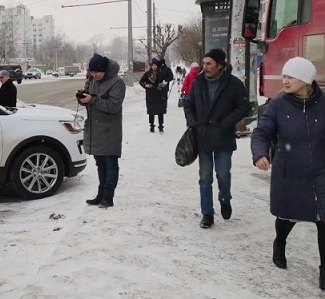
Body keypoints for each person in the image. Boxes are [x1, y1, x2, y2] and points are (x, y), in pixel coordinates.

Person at [251, 57, 325, 289]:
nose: (284, 80)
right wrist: (260, 153)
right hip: (290, 171)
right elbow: (261, 132)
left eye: (290, 76)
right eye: (284, 76)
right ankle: (280, 242)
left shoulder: (323, 104)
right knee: (286, 217)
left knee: (323, 221)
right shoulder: (278, 104)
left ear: (305, 80)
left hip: (320, 173)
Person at [183, 48, 249, 229]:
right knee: (205, 177)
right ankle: (207, 213)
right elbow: (188, 104)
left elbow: (243, 107)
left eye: (209, 63)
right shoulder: (198, 83)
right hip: (202, 136)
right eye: (204, 63)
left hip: (223, 137)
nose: (205, 67)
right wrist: (192, 122)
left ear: (220, 65)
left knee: (223, 173)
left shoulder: (234, 84)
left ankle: (225, 198)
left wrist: (225, 123)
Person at [77, 54, 126, 208]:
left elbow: (113, 106)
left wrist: (92, 100)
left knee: (110, 163)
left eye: (97, 71)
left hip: (110, 130)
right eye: (92, 72)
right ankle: (101, 194)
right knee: (100, 163)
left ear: (105, 69)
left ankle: (108, 196)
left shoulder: (117, 82)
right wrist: (83, 98)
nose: (95, 74)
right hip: (95, 129)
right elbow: (91, 98)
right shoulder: (92, 80)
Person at [139, 58, 169, 133]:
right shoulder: (147, 74)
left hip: (159, 95)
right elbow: (141, 81)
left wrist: (162, 85)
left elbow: (167, 81)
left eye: (155, 65)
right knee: (151, 111)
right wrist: (146, 85)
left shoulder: (161, 74)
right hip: (150, 95)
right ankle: (152, 126)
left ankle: (161, 126)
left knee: (160, 111)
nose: (154, 66)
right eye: (153, 65)